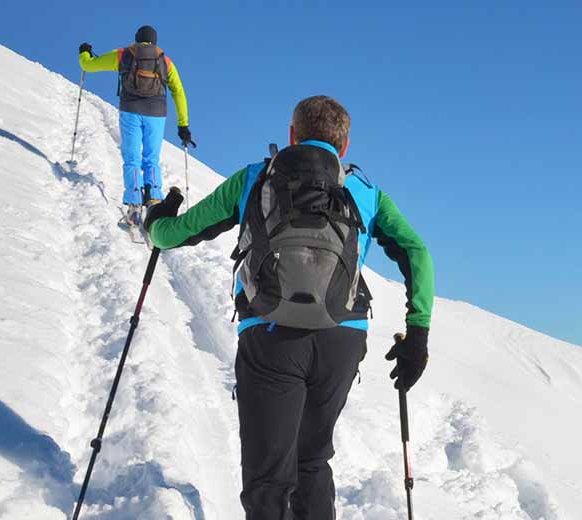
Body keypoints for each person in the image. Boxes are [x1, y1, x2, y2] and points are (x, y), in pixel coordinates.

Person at [143, 96, 434, 519]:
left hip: (271, 335)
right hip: (341, 336)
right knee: (312, 461)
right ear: (345, 146)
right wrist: (418, 335)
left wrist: (158, 218)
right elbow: (417, 253)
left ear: (292, 135)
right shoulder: (366, 193)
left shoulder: (253, 180)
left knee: (268, 477)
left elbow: (174, 235)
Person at [78, 25, 192, 218]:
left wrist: (85, 53)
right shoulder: (166, 61)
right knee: (151, 159)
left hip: (130, 110)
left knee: (132, 159)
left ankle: (134, 205)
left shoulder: (124, 54)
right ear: (154, 41)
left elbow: (89, 66)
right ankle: (154, 199)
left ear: (137, 38)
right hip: (156, 114)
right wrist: (183, 125)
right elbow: (178, 93)